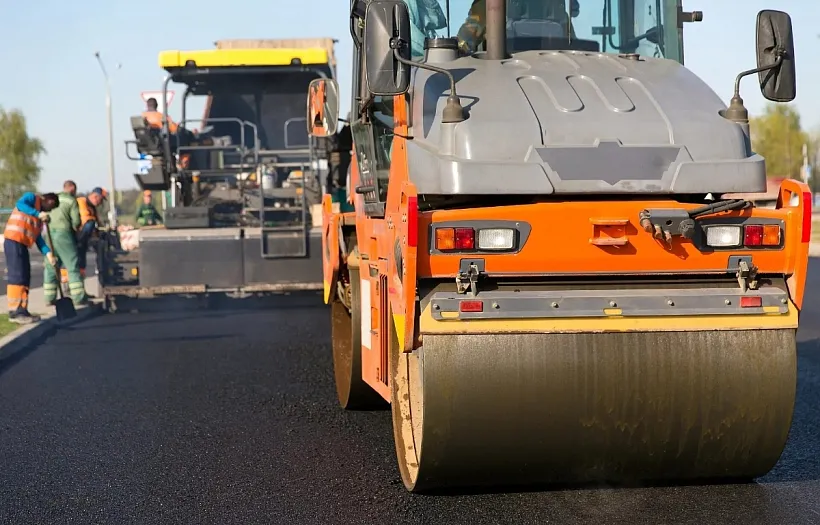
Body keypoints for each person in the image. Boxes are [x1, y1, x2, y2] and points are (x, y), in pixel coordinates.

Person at [3, 192, 59, 323]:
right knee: (17, 275)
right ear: (49, 200)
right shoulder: (31, 198)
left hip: (22, 244)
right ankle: (15, 312)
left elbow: (39, 239)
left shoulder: (39, 219)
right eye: (51, 207)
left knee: (25, 276)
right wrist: (37, 213)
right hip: (13, 240)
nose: (49, 210)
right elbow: (19, 204)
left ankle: (22, 309)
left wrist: (48, 253)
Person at [456, 0, 578, 54]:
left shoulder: (488, 6)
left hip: (499, 72)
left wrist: (457, 46)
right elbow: (574, 46)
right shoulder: (557, 13)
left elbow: (465, 40)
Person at [44, 186, 88, 306]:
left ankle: (49, 297)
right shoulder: (71, 201)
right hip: (64, 235)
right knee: (72, 265)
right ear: (73, 189)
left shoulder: (53, 199)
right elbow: (76, 222)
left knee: (50, 266)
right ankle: (78, 297)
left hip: (49, 234)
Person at [76, 187, 106, 280]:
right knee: (90, 224)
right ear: (95, 196)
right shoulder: (82, 202)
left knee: (82, 263)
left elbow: (98, 222)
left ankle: (81, 287)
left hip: (84, 239)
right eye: (100, 200)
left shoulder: (92, 208)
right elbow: (85, 219)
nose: (100, 203)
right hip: (78, 236)